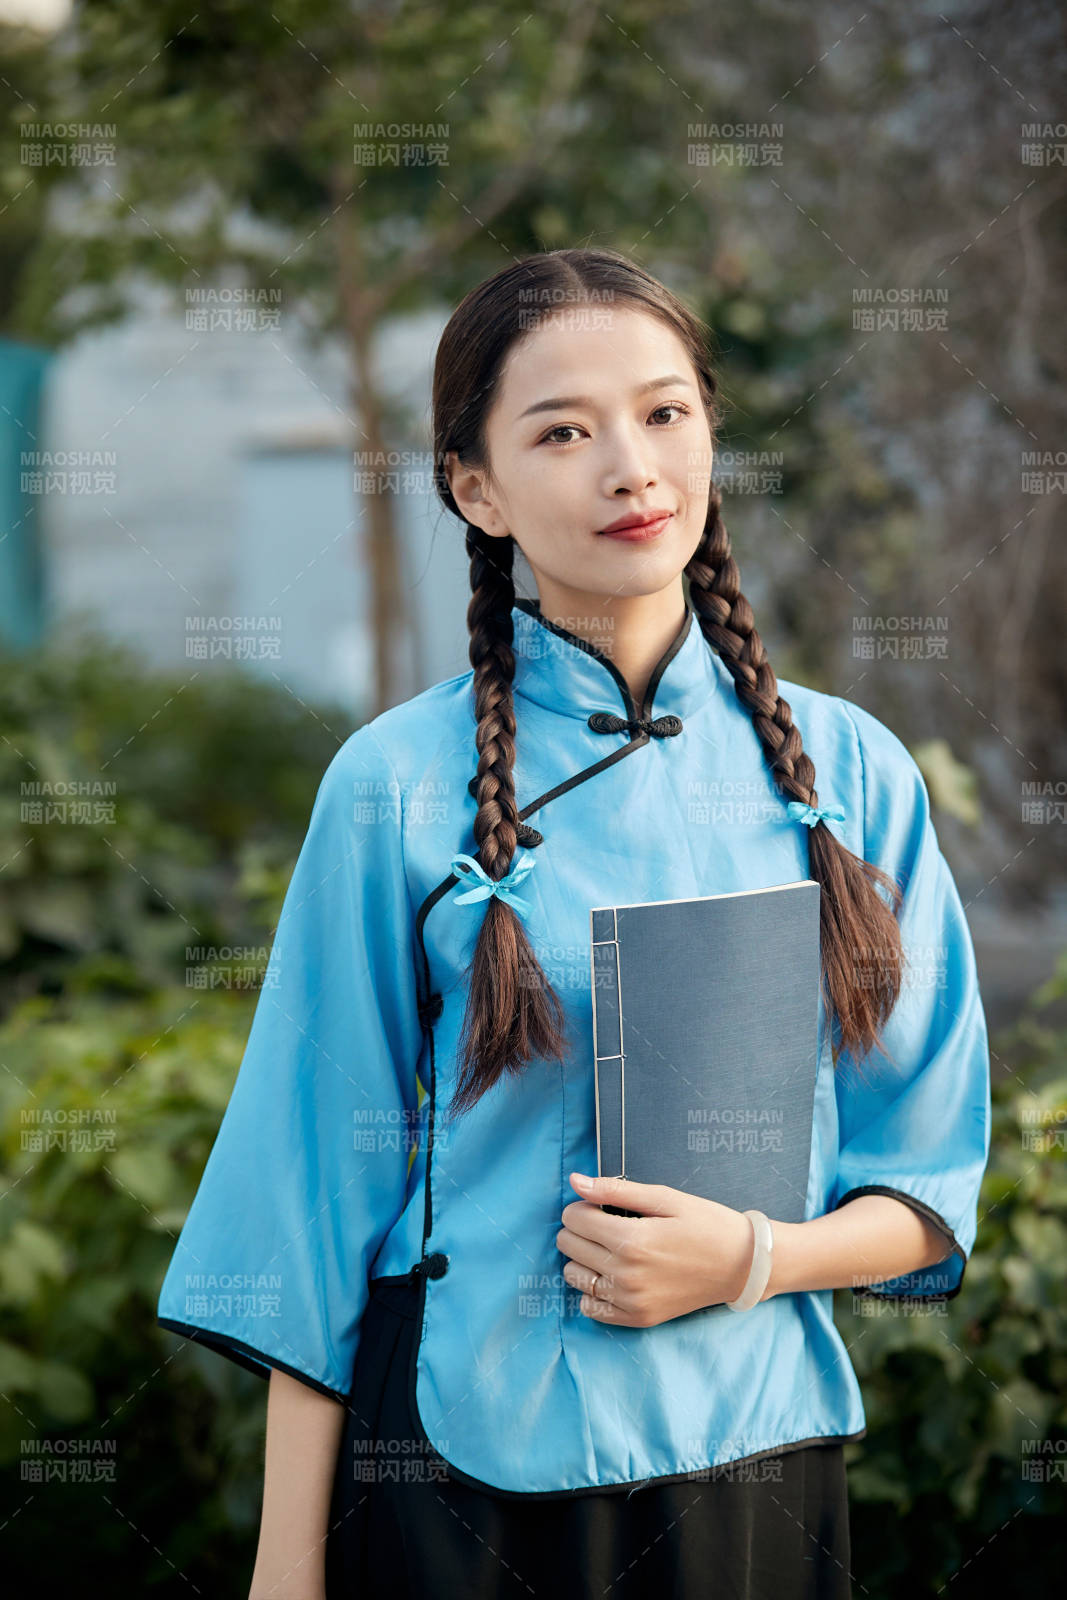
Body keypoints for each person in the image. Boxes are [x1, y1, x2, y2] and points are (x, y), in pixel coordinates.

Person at [156, 247, 992, 1600]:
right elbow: (311, 1196)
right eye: (562, 429)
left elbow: (928, 1177)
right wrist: (284, 1571)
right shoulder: (393, 785)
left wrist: (754, 1259)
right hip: (458, 1469)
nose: (630, 465)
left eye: (666, 413)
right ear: (473, 487)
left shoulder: (850, 778)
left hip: (756, 1467)